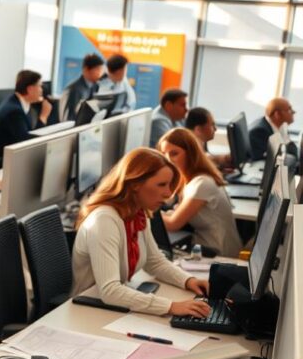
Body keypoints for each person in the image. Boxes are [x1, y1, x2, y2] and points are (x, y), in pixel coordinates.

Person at [72, 147, 211, 316]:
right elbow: (110, 290)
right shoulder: (104, 220)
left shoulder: (137, 214)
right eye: (161, 185)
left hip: (113, 308)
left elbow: (155, 261)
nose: (168, 194)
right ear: (135, 184)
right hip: (88, 311)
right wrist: (171, 306)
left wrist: (188, 280)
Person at [157, 128, 241, 258]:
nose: (167, 160)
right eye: (164, 154)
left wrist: (146, 213)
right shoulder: (188, 178)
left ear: (190, 154)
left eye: (174, 153)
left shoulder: (202, 183)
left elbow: (174, 223)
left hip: (218, 252)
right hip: (204, 244)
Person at [0, 70, 53, 169]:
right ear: (30, 89)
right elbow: (27, 144)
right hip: (0, 163)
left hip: (9, 158)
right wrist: (43, 116)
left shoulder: (18, 102)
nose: (41, 90)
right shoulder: (14, 112)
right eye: (39, 86)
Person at [59, 53, 104, 123]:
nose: (100, 73)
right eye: (98, 69)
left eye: (101, 70)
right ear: (86, 69)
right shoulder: (73, 90)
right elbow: (67, 120)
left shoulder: (95, 86)